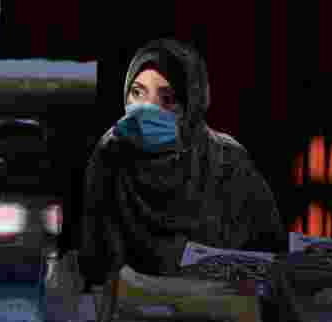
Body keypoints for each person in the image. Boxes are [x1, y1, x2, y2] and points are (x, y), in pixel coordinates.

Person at [77, 38, 286, 286]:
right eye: (137, 93)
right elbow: (94, 267)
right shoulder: (110, 154)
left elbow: (272, 255)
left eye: (167, 99)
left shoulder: (227, 161)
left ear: (192, 106)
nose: (147, 109)